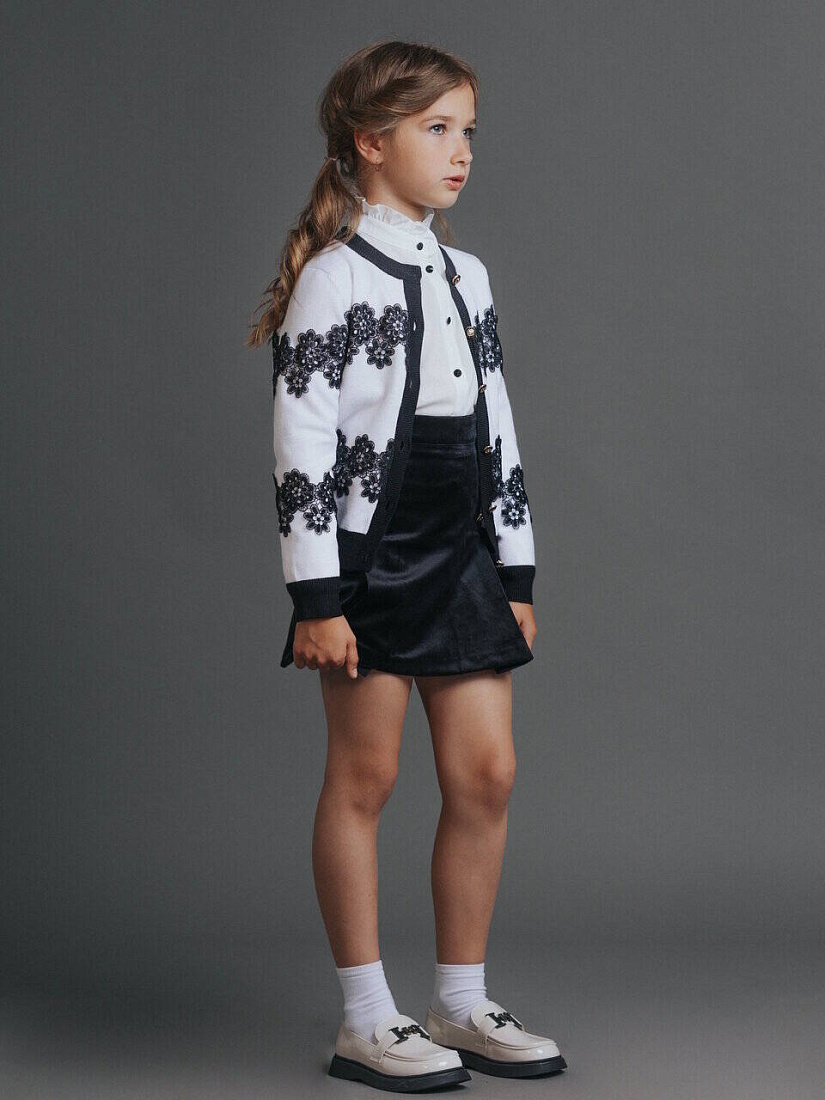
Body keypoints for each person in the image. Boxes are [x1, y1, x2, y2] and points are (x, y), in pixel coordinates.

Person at [247, 39, 567, 1091]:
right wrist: (316, 595)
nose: (461, 150)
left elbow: (495, 424)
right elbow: (302, 440)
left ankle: (460, 1000)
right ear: (370, 141)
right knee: (367, 776)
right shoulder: (335, 276)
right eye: (437, 128)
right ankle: (365, 1017)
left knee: (487, 772)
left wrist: (513, 571)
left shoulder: (467, 275)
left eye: (468, 130)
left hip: (463, 546)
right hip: (368, 556)